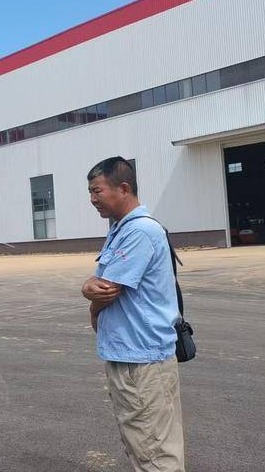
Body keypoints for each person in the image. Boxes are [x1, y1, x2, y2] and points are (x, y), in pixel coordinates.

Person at [81, 157, 185, 471]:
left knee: (153, 452)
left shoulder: (138, 231)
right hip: (133, 356)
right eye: (90, 192)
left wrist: (90, 299)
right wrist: (91, 286)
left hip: (140, 361)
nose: (92, 199)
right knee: (145, 445)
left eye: (97, 190)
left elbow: (107, 289)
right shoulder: (121, 229)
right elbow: (103, 281)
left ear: (123, 188)